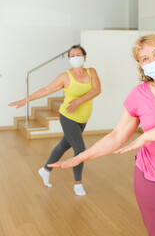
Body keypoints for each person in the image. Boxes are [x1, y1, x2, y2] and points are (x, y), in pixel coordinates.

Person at [49, 34, 155, 236]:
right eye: (145, 58)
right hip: (153, 175)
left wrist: (145, 137)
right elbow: (117, 136)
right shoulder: (138, 95)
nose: (152, 60)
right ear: (141, 65)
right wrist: (80, 157)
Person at [9, 45, 101, 196]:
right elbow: (46, 90)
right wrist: (26, 100)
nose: (75, 57)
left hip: (83, 118)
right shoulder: (65, 76)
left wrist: (79, 101)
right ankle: (78, 184)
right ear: (69, 59)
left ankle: (45, 170)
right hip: (68, 116)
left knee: (64, 144)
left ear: (84, 57)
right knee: (80, 149)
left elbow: (97, 90)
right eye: (72, 55)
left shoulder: (92, 72)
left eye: (78, 54)